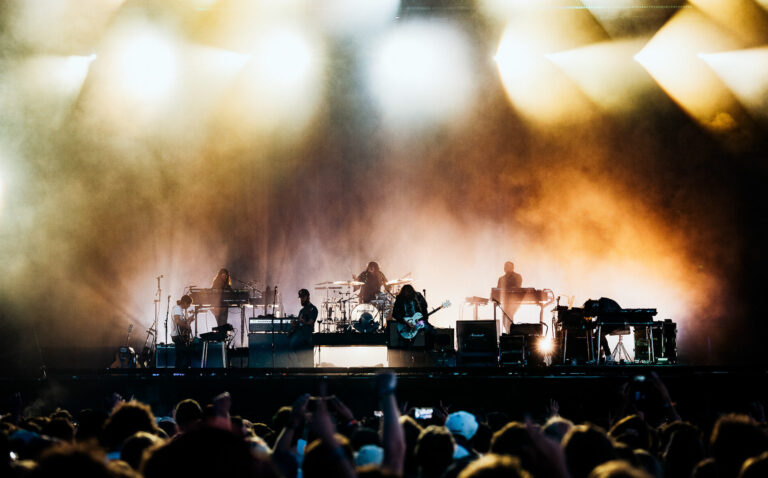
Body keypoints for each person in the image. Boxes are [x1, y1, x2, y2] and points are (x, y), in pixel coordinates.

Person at [289, 289, 317, 367]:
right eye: (300, 298)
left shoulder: (313, 309)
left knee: (292, 345)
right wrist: (295, 323)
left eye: (303, 297)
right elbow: (299, 322)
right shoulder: (301, 311)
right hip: (300, 334)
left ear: (308, 297)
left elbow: (311, 322)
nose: (301, 299)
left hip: (307, 335)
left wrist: (303, 322)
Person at [492, 261, 523, 333]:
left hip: (514, 301)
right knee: (504, 319)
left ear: (512, 268)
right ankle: (509, 333)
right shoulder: (501, 278)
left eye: (507, 266)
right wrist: (495, 298)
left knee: (508, 317)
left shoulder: (517, 276)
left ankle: (511, 334)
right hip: (505, 301)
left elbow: (517, 287)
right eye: (505, 266)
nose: (505, 268)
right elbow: (497, 290)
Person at [171, 295, 195, 369]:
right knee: (182, 357)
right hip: (177, 336)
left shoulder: (179, 309)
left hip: (178, 336)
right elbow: (177, 321)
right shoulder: (177, 308)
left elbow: (180, 321)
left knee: (181, 357)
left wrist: (188, 320)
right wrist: (186, 325)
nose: (188, 306)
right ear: (185, 302)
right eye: (188, 304)